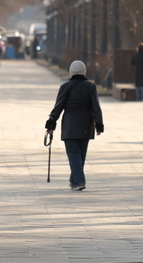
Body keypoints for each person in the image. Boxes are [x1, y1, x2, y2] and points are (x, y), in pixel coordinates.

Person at [44, 60, 104, 191]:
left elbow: (58, 107)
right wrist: (99, 124)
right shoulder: (91, 87)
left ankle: (79, 181)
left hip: (70, 125)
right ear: (84, 71)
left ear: (71, 71)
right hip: (86, 125)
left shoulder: (65, 87)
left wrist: (51, 124)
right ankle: (74, 180)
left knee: (73, 154)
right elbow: (96, 108)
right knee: (80, 155)